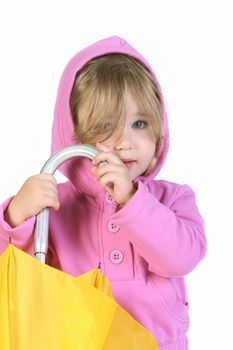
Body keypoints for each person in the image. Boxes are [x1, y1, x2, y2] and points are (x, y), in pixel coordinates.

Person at [0, 36, 206, 349]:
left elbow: (181, 258)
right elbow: (16, 275)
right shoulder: (57, 205)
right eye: (105, 126)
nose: (125, 142)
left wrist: (133, 202)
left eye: (139, 123)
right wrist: (15, 216)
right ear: (74, 135)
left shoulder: (173, 199)